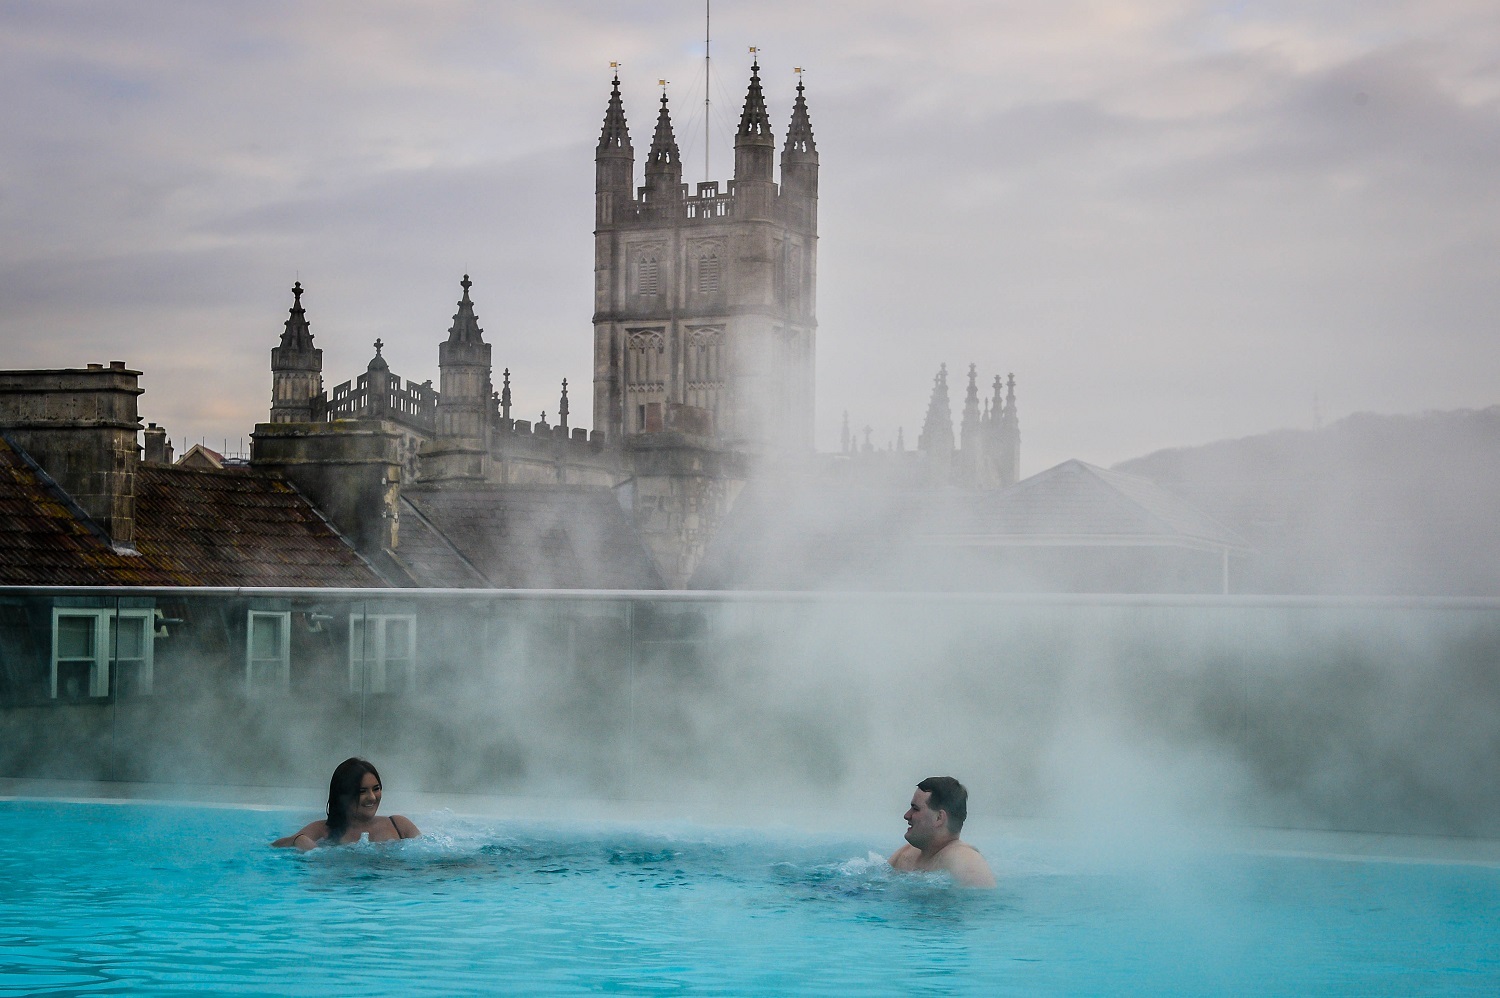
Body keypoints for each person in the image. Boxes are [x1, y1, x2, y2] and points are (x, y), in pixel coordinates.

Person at [272, 757, 420, 850]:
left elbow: (427, 855)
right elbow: (276, 846)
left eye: (376, 789)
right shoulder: (324, 830)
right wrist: (300, 840)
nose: (372, 797)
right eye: (362, 791)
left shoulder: (399, 826)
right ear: (343, 795)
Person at [888, 776, 996, 888]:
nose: (907, 815)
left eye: (915, 809)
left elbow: (981, 900)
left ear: (939, 818)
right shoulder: (905, 853)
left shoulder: (967, 863)